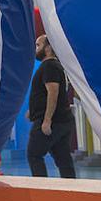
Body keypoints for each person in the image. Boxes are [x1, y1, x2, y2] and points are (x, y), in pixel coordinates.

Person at [26, 34, 77, 179]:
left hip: (52, 121)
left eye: (38, 45)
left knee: (34, 155)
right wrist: (33, 109)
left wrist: (47, 120)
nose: (36, 49)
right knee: (63, 159)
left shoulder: (49, 66)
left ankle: (41, 189)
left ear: (48, 48)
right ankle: (71, 190)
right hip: (62, 120)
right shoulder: (55, 66)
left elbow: (53, 92)